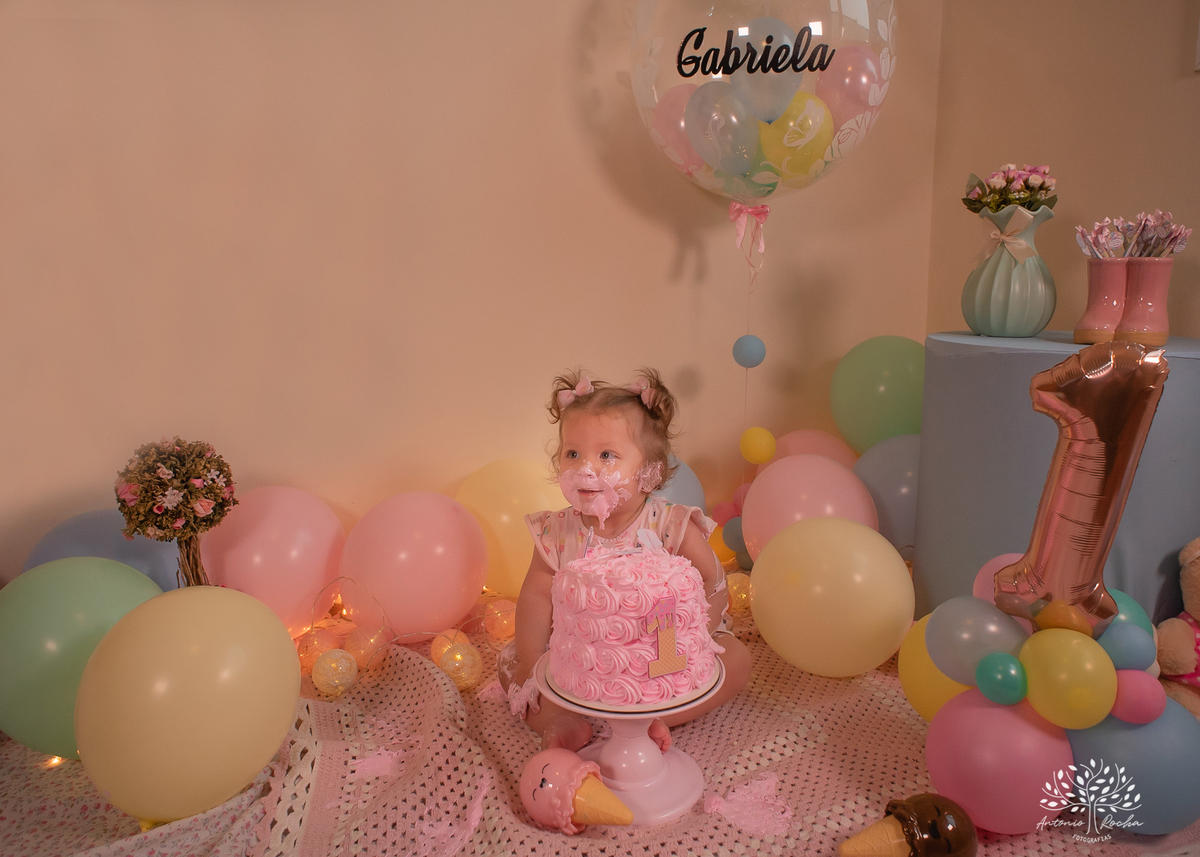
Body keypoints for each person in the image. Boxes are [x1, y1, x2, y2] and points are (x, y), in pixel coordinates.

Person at [498, 368, 751, 752]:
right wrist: (532, 663)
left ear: (649, 472)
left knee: (736, 660)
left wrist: (693, 638)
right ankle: (561, 720)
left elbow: (712, 584)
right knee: (510, 664)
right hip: (583, 661)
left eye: (606, 455)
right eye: (572, 453)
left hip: (663, 650)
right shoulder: (557, 532)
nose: (586, 467)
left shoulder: (672, 525)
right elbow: (536, 596)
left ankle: (657, 718)